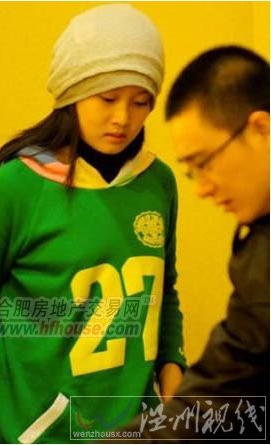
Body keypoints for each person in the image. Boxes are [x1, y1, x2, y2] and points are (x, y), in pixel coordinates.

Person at [0, 4, 186, 443]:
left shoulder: (157, 183)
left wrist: (172, 367)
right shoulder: (13, 188)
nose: (123, 118)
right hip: (28, 433)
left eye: (140, 101)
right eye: (107, 98)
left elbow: (162, 292)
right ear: (72, 92)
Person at [118, 46, 269, 441]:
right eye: (191, 172)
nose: (201, 188)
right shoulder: (258, 255)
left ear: (261, 129)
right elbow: (221, 394)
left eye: (205, 163)